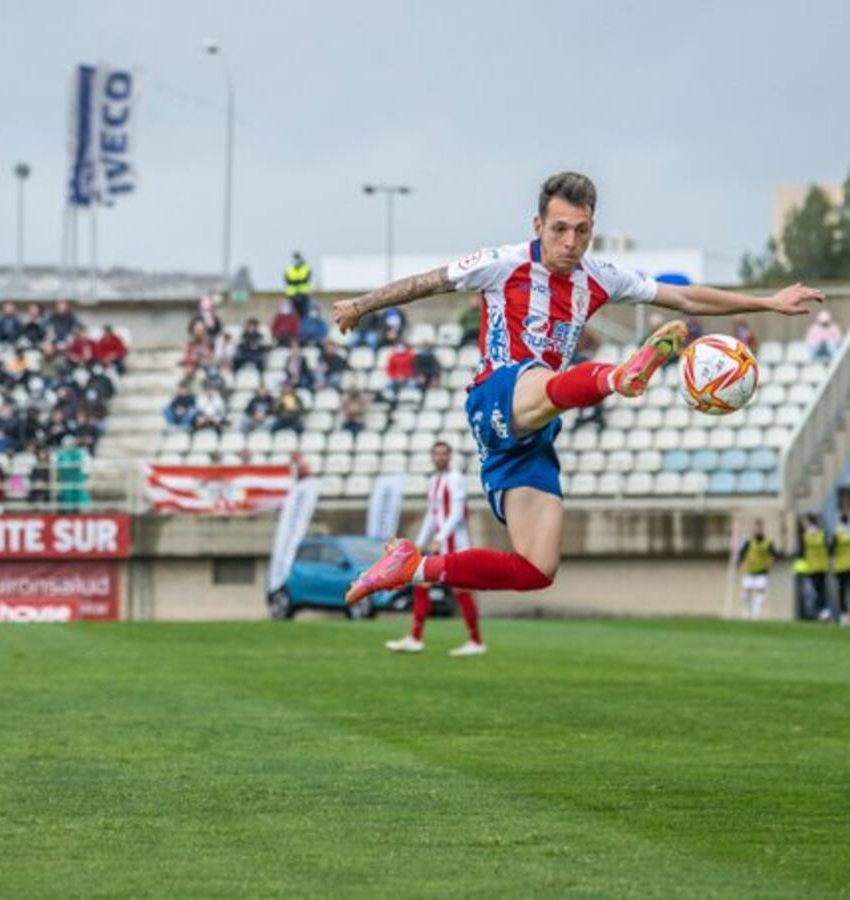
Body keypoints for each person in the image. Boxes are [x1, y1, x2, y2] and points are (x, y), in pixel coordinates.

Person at [335, 172, 823, 611]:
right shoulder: (500, 262)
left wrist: (768, 302)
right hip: (498, 392)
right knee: (540, 380)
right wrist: (362, 303)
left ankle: (412, 567)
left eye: (582, 230)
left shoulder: (600, 277)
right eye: (560, 229)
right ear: (538, 224)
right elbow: (428, 283)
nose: (571, 242)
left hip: (539, 422)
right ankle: (619, 376)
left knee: (536, 568)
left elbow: (687, 297)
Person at [385, 442, 484, 656]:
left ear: (449, 456)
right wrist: (421, 540)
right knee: (422, 584)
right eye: (437, 454)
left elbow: (456, 513)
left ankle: (476, 641)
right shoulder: (434, 480)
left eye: (444, 454)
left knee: (460, 591)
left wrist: (439, 537)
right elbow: (432, 514)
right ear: (432, 457)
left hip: (456, 545)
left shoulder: (456, 478)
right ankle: (415, 638)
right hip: (439, 545)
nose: (440, 457)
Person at [736, 518, 779, 620]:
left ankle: (756, 613)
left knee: (760, 591)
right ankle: (747, 611)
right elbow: (741, 554)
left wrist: (771, 562)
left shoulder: (768, 542)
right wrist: (741, 564)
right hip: (749, 570)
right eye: (756, 527)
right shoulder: (748, 542)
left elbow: (775, 555)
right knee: (746, 593)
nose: (758, 529)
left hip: (762, 571)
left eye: (759, 527)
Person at [799, 513, 832, 621]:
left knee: (815, 591)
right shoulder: (822, 533)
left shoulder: (806, 535)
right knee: (821, 590)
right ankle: (823, 612)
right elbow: (828, 548)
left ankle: (820, 613)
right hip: (822, 566)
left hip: (812, 567)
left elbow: (803, 551)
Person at [830, 512, 850, 626]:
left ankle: (844, 617)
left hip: (841, 566)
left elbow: (831, 549)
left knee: (842, 592)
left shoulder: (837, 533)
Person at [284, 251, 313, 319]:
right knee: (292, 315)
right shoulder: (289, 269)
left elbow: (306, 279)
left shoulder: (306, 268)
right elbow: (287, 280)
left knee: (305, 314)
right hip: (292, 296)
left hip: (304, 295)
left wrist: (295, 281)